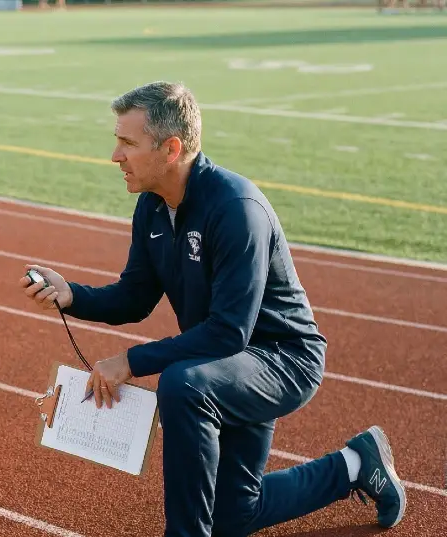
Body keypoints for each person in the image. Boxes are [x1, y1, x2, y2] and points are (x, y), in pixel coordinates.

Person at [20, 81, 406, 536]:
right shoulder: (152, 206)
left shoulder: (235, 208)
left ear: (171, 148)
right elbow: (135, 297)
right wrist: (73, 296)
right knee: (233, 515)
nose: (114, 156)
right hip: (225, 364)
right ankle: (356, 464)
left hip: (283, 359)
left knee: (184, 384)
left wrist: (131, 361)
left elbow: (228, 332)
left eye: (127, 142)